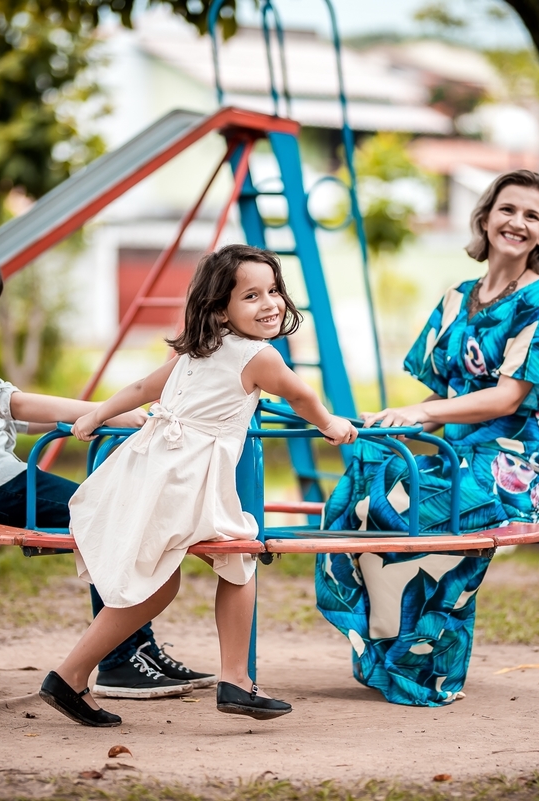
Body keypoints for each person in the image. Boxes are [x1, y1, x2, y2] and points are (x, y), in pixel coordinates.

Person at [36, 243, 358, 727]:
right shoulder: (259, 356)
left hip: (151, 465)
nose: (269, 303)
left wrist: (97, 414)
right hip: (185, 475)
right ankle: (220, 680)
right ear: (220, 308)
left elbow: (144, 388)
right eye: (251, 296)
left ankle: (79, 676)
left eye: (273, 291)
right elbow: (299, 393)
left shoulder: (197, 349)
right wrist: (329, 423)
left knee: (189, 575)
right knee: (226, 560)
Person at [0, 246, 214, 700]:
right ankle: (123, 661)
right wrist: (111, 413)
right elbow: (15, 403)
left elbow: (18, 419)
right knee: (111, 520)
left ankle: (137, 650)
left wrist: (99, 416)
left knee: (112, 514)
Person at [315, 170, 539, 707]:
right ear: (485, 217)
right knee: (362, 503)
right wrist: (392, 424)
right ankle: (388, 653)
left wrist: (421, 411)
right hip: (452, 451)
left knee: (417, 517)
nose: (517, 223)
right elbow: (442, 403)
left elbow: (504, 400)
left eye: (532, 216)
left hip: (510, 462)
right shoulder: (457, 298)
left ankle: (426, 668)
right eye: (508, 210)